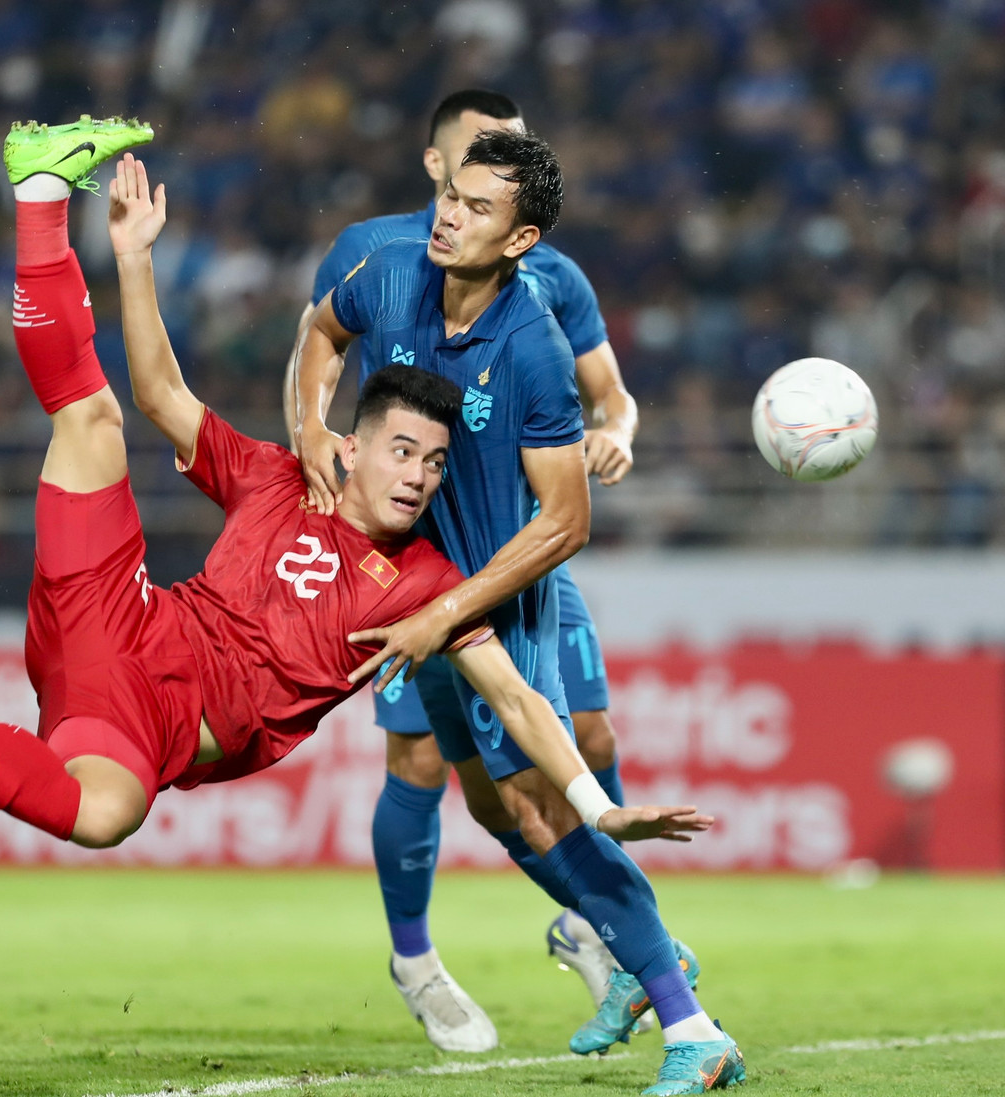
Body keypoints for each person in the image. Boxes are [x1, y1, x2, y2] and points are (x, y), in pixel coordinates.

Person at [0, 122, 707, 880]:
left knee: (103, 815)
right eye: (403, 452)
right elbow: (165, 398)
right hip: (112, 617)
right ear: (352, 448)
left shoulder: (426, 580)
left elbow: (517, 700)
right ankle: (44, 188)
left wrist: (597, 807)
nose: (418, 476)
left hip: (142, 720)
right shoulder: (281, 476)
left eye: (436, 465)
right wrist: (132, 262)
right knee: (91, 418)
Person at [295, 127, 745, 1094]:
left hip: (498, 600)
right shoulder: (386, 272)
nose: (450, 216)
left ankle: (690, 1023)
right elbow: (319, 331)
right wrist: (310, 429)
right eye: (452, 195)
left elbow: (569, 520)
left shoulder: (533, 345)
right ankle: (637, 955)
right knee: (501, 809)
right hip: (427, 602)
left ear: (522, 238)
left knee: (547, 804)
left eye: (479, 208)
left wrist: (447, 608)